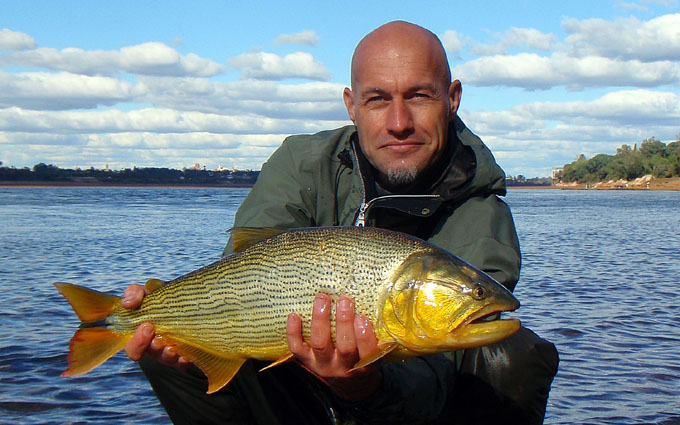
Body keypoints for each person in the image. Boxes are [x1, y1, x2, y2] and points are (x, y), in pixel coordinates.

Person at [123, 21, 558, 424]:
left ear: (452, 98)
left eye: (419, 96)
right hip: (287, 373)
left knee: (513, 355)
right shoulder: (301, 164)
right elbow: (240, 277)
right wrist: (191, 337)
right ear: (351, 105)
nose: (399, 122)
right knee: (162, 343)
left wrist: (365, 384)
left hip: (408, 405)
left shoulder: (482, 216)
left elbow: (439, 375)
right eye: (378, 99)